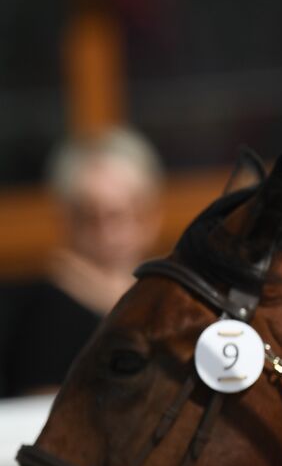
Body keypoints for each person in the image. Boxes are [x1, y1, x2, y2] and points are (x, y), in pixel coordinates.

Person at [1, 127, 164, 396]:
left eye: (118, 215)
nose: (107, 235)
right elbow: (41, 414)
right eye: (91, 218)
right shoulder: (45, 315)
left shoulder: (174, 293)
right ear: (66, 221)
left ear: (151, 215)